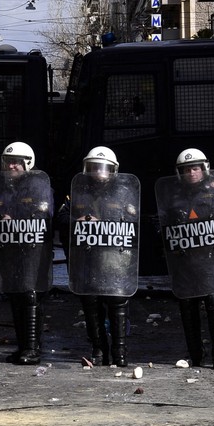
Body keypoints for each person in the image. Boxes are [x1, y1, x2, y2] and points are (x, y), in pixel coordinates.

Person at [56, 145, 139, 367]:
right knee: (91, 305)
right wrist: (78, 222)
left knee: (117, 304)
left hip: (114, 261)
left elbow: (134, 224)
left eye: (102, 168)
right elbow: (61, 219)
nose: (97, 172)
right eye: (92, 167)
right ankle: (98, 349)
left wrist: (105, 224)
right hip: (88, 261)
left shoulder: (123, 193)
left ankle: (119, 352)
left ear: (113, 170)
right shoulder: (77, 193)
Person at [159, 147, 214, 370]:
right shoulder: (173, 198)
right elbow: (163, 226)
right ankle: (196, 355)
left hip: (210, 260)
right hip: (185, 261)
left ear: (204, 169)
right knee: (188, 304)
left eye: (195, 168)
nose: (191, 173)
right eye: (186, 169)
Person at [0, 141, 52, 365]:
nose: (12, 166)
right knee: (15, 295)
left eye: (16, 162)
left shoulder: (38, 185)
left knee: (29, 294)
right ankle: (22, 346)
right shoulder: (1, 190)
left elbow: (43, 214)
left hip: (32, 252)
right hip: (10, 251)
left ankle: (33, 348)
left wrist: (16, 220)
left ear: (28, 164)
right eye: (8, 162)